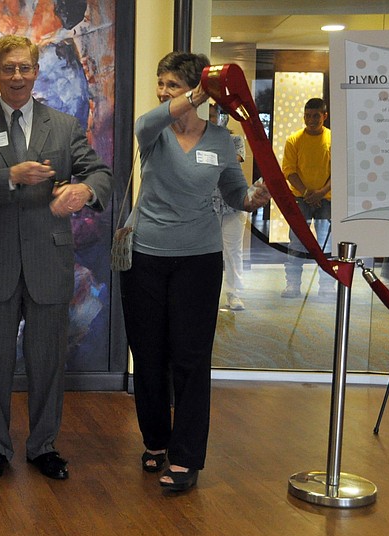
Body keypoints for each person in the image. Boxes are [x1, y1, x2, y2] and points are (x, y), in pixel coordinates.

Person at [0, 35, 112, 481]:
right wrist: (10, 176)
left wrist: (85, 190)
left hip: (47, 262)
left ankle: (43, 446)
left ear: (36, 71)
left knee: (47, 363)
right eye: (8, 68)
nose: (17, 76)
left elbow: (99, 172)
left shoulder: (63, 126)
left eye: (25, 67)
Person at [121, 51, 270, 492]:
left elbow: (235, 193)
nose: (163, 91)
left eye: (173, 84)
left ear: (193, 88)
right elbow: (145, 122)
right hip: (145, 258)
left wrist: (254, 198)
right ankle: (155, 440)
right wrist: (196, 94)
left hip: (199, 262)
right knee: (149, 355)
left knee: (190, 358)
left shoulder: (222, 140)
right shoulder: (154, 132)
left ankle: (186, 457)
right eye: (161, 83)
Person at [281, 98, 333, 299]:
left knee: (326, 244)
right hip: (300, 199)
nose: (311, 120)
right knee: (296, 243)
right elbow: (289, 171)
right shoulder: (294, 140)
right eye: (307, 115)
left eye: (316, 116)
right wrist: (307, 193)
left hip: (326, 199)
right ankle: (292, 285)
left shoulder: (333, 138)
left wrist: (320, 192)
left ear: (324, 116)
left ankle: (327, 286)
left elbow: (339, 170)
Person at [209, 103, 249, 311]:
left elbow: (234, 159)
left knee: (233, 251)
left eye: (213, 115)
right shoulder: (197, 141)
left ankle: (234, 294)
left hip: (232, 203)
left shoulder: (235, 140)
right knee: (209, 251)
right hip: (207, 204)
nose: (210, 119)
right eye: (206, 115)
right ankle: (207, 293)